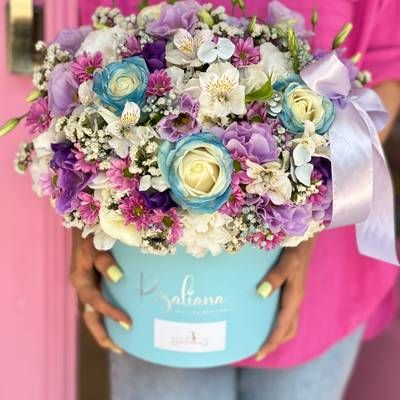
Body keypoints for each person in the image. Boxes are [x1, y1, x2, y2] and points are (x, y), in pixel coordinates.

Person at [71, 0, 400, 398]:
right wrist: (85, 212)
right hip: (158, 284)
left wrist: (308, 217)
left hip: (320, 272)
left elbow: (385, 77)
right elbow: (84, 70)